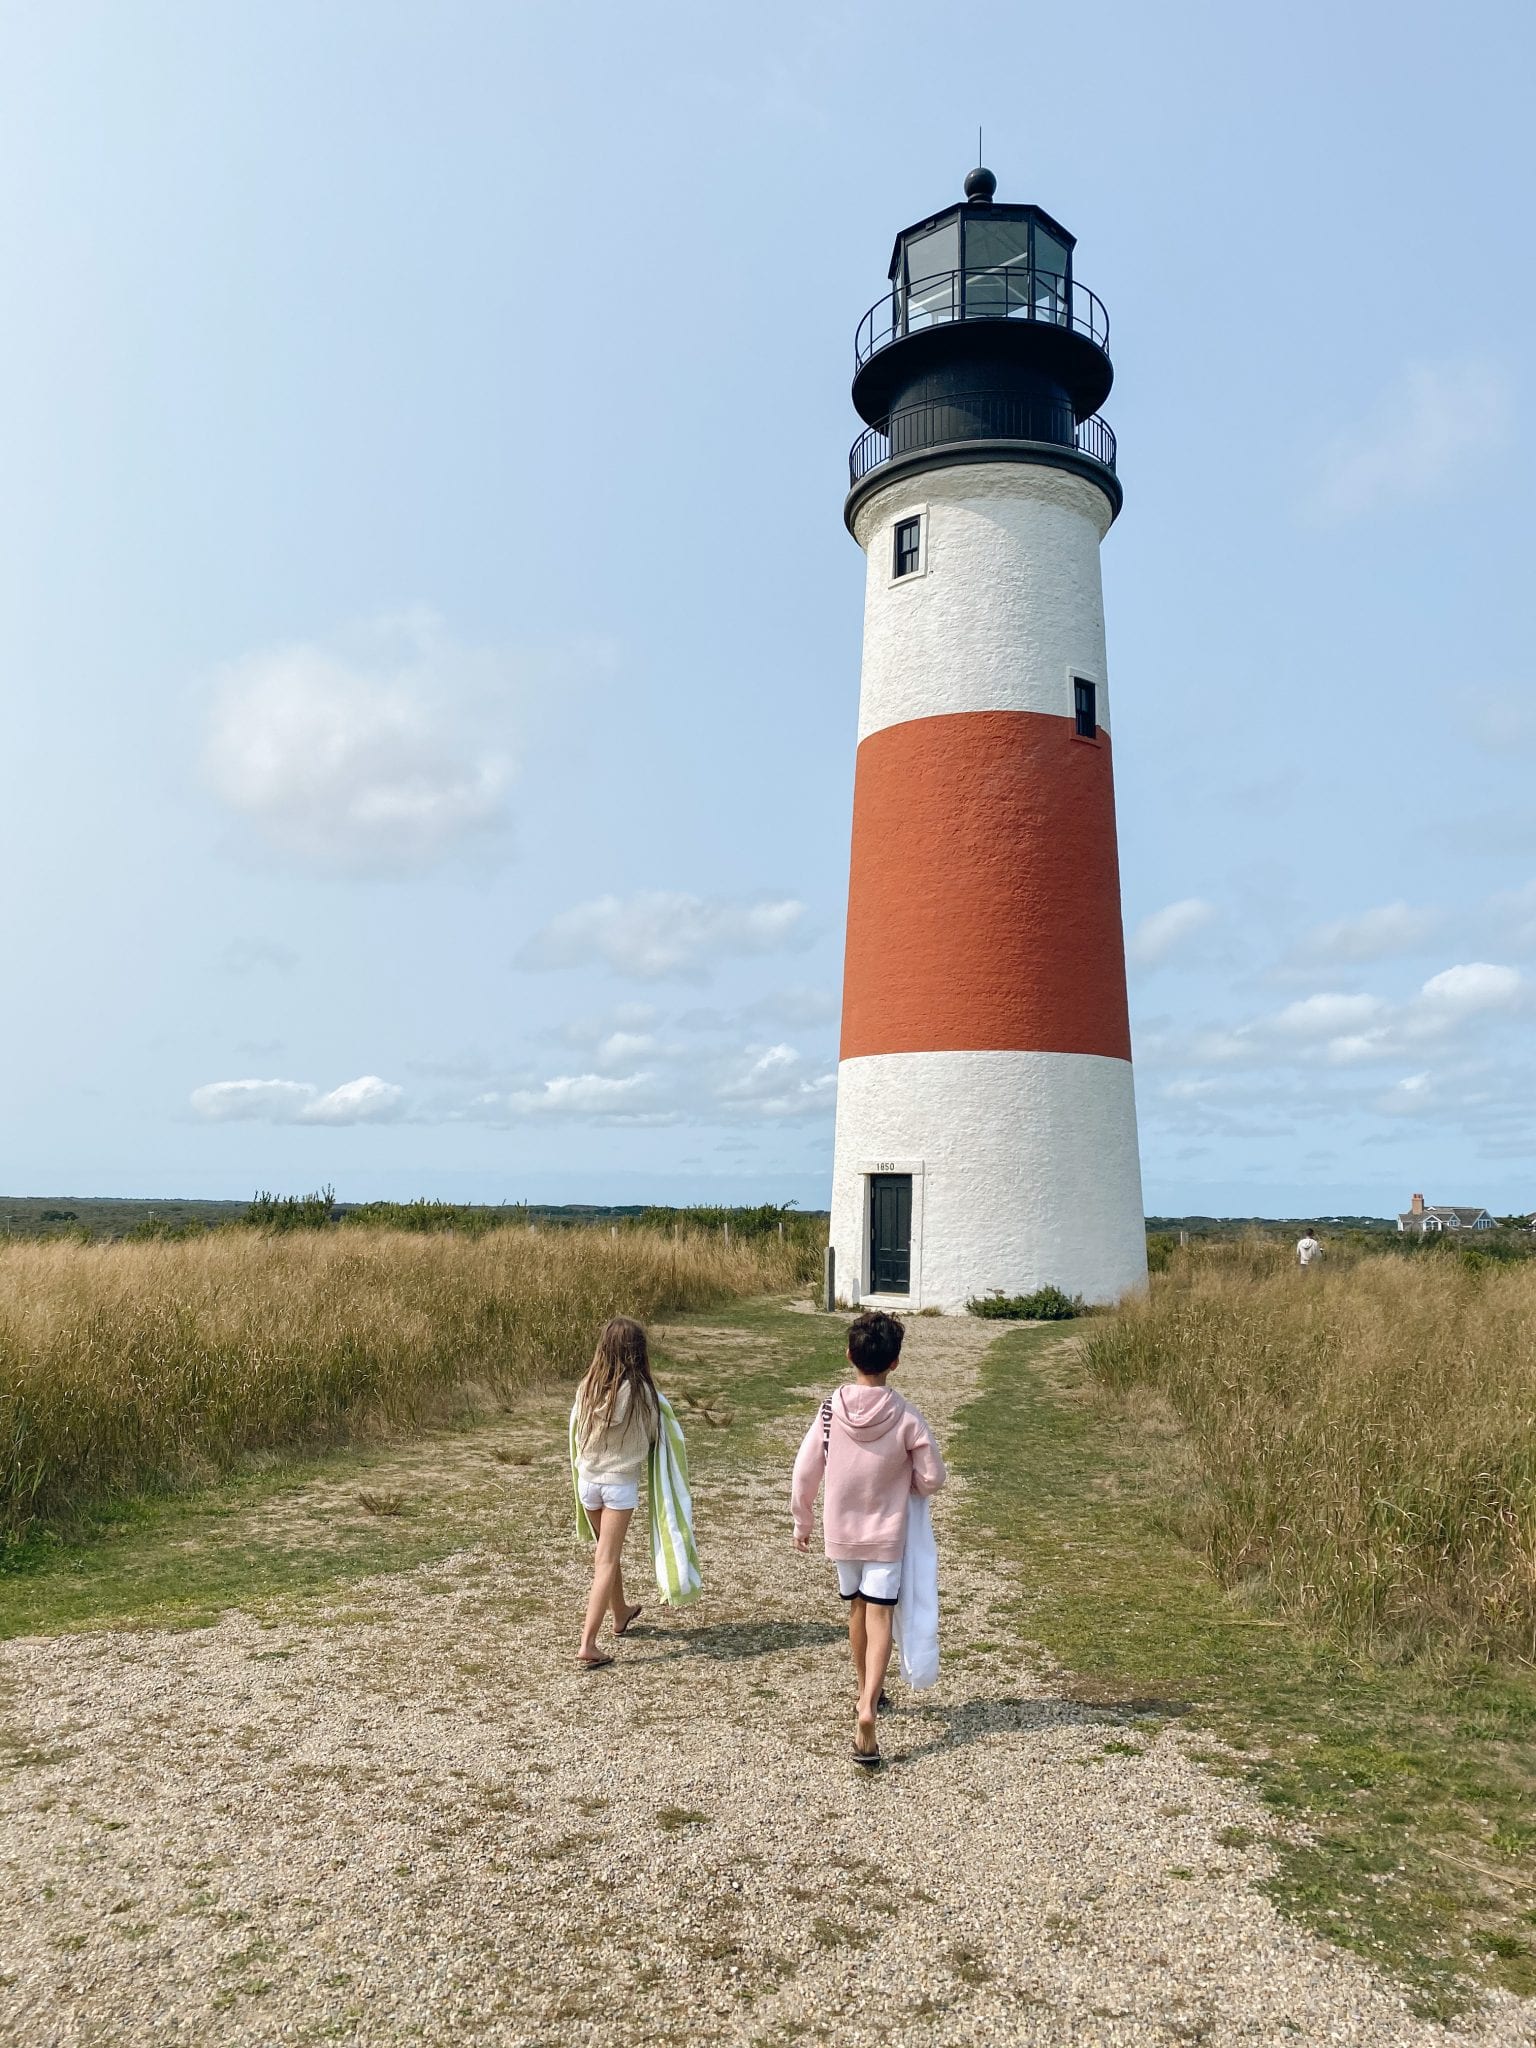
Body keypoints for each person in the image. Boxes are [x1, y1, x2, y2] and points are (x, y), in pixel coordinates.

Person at [790, 1310, 946, 1767]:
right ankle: (867, 1707)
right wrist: (909, 1486)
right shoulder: (906, 1417)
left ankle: (866, 1691)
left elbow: (805, 1471)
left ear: (848, 1356)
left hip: (842, 1533)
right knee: (881, 1617)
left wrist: (802, 1520)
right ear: (895, 1363)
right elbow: (933, 1476)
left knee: (856, 1609)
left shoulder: (827, 1411)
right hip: (886, 1534)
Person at [570, 1315, 659, 1668]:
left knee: (607, 1550)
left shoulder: (587, 1386)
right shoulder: (640, 1393)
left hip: (588, 1480)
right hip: (618, 1484)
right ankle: (588, 1643)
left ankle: (620, 1612)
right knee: (605, 1559)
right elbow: (652, 1435)